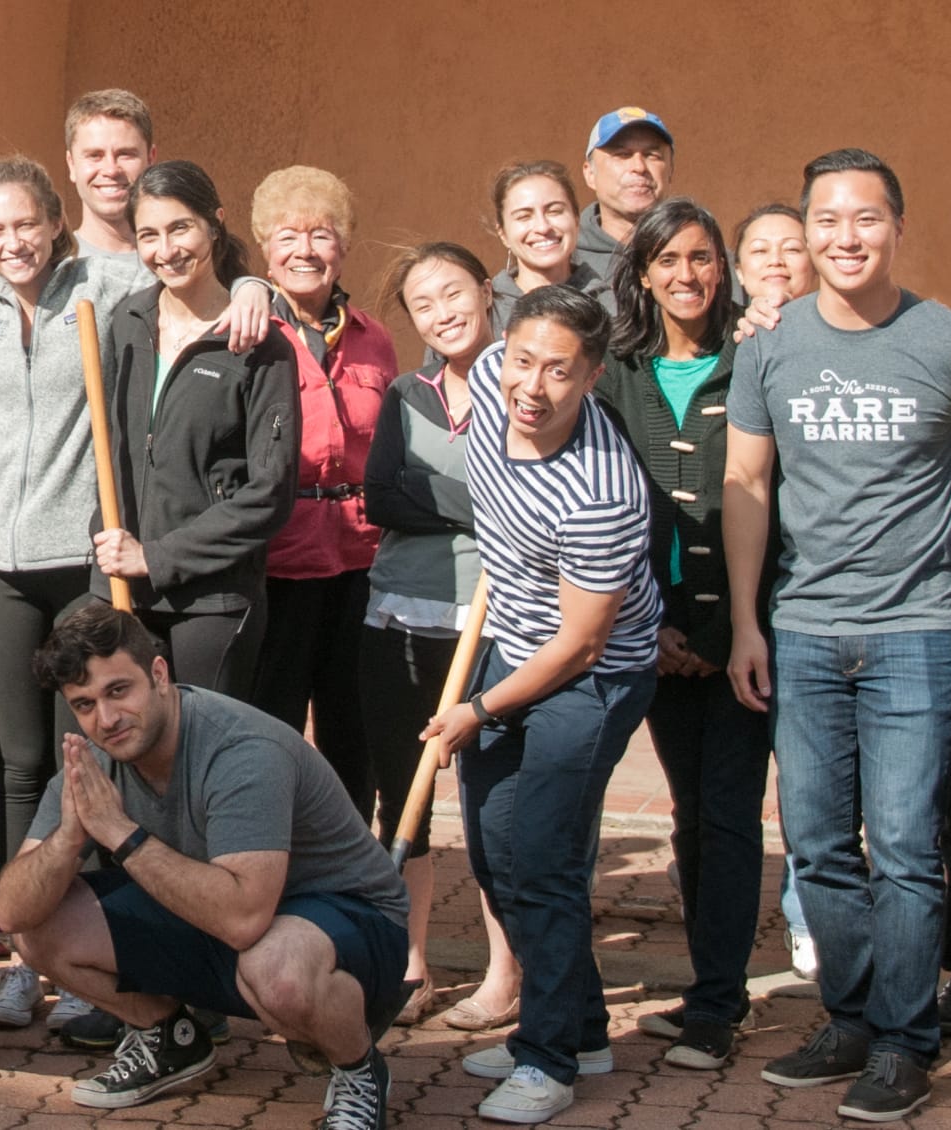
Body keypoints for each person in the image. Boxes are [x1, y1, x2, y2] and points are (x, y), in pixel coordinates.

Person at [0, 154, 271, 1038]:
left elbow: (192, 266)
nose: (13, 243)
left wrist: (256, 283)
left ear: (56, 223)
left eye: (26, 225)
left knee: (98, 757)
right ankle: (18, 955)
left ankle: (97, 959)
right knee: (19, 766)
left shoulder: (105, 279)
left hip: (84, 559)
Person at [721, 149, 951, 1119]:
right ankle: (847, 1015)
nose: (845, 238)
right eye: (826, 222)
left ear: (895, 225)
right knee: (815, 845)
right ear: (805, 235)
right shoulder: (766, 346)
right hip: (799, 627)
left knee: (908, 846)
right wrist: (747, 620)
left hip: (916, 631)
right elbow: (748, 483)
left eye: (865, 218)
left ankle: (903, 1039)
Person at [0, 605, 415, 1130]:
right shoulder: (96, 757)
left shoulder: (241, 749)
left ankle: (358, 1070)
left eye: (118, 691)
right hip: (228, 922)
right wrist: (67, 840)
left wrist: (120, 833)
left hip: (351, 925)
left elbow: (244, 918)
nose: (105, 719)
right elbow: (11, 912)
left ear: (158, 675)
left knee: (276, 970)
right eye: (84, 704)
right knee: (39, 926)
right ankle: (169, 1040)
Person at [415, 285, 661, 1121]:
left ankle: (549, 1059)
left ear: (591, 377)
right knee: (493, 855)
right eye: (524, 360)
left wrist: (476, 712)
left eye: (560, 372)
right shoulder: (489, 376)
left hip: (590, 677)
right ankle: (583, 1029)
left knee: (544, 860)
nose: (532, 387)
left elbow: (581, 644)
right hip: (507, 640)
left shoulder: (602, 489)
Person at [598, 199, 765, 1071]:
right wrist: (653, 622)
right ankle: (712, 991)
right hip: (648, 632)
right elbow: (607, 508)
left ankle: (717, 1005)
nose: (687, 276)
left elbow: (762, 498)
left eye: (702, 258)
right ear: (644, 273)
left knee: (731, 815)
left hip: (738, 632)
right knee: (691, 814)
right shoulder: (616, 370)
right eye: (668, 261)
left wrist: (716, 628)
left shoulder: (755, 360)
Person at [92, 160, 299, 701]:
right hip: (120, 587)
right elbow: (116, 448)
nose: (167, 249)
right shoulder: (128, 323)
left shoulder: (260, 344)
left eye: (180, 227)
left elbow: (270, 493)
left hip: (211, 602)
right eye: (149, 235)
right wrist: (118, 551)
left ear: (215, 224)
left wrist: (157, 558)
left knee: (201, 759)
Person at [362, 241, 503, 1029]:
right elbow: (383, 494)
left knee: (493, 803)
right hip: (400, 613)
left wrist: (433, 490)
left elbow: (535, 489)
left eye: (454, 292)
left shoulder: (525, 384)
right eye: (424, 304)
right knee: (403, 794)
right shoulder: (407, 395)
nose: (443, 312)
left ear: (486, 291)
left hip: (497, 618)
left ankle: (504, 971)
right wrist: (482, 497)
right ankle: (412, 961)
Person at [244, 166, 398, 882]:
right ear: (263, 246)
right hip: (279, 559)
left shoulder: (375, 340)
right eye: (288, 235)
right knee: (271, 727)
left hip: (360, 561)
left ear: (344, 246)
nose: (306, 249)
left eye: (322, 234)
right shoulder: (247, 328)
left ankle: (346, 871)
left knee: (354, 730)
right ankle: (271, 869)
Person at [732, 200, 820, 984]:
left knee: (811, 771)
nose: (778, 260)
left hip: (817, 584)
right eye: (760, 248)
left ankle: (808, 912)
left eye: (793, 247)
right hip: (745, 582)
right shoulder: (734, 345)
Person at [487, 161, 606, 322]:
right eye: (524, 216)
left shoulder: (613, 307)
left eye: (554, 211)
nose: (543, 227)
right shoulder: (487, 312)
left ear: (576, 220)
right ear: (503, 233)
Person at [573, 108, 673, 281]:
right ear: (590, 174)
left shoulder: (703, 257)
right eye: (622, 155)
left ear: (671, 171)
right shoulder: (563, 261)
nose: (639, 167)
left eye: (652, 155)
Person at [62, 89, 154, 257]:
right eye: (95, 156)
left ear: (150, 159)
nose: (111, 170)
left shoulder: (183, 266)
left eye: (125, 154)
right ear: (72, 165)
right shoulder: (47, 271)